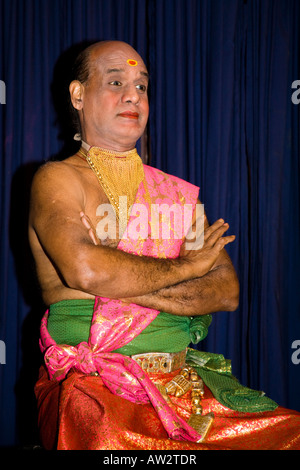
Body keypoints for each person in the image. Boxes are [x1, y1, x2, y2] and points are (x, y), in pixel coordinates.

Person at [29, 40, 300, 450]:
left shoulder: (173, 194)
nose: (133, 95)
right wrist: (186, 270)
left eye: (142, 85)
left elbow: (225, 292)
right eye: (116, 81)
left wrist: (118, 282)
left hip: (182, 386)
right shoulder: (56, 180)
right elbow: (85, 270)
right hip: (96, 389)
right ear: (78, 95)